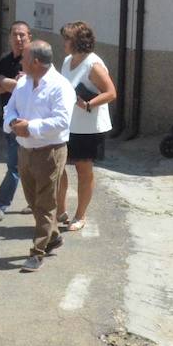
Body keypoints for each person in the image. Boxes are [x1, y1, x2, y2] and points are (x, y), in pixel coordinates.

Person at [3, 40, 75, 273]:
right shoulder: (23, 82)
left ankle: (37, 252)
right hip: (24, 150)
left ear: (34, 62)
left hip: (49, 152)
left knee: (45, 203)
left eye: (23, 57)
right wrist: (13, 123)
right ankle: (52, 236)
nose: (20, 60)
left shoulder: (60, 86)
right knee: (33, 200)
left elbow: (62, 121)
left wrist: (30, 127)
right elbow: (9, 108)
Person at [56, 22, 116, 233]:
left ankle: (80, 215)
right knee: (58, 166)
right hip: (68, 125)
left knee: (84, 171)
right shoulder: (66, 61)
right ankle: (60, 210)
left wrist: (89, 104)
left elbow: (110, 92)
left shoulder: (93, 64)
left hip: (89, 127)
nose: (64, 42)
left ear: (77, 42)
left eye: (67, 39)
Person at [0, 20, 31, 220]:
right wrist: (11, 83)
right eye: (15, 34)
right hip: (11, 120)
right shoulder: (4, 60)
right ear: (10, 37)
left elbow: (32, 88)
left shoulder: (34, 59)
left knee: (27, 165)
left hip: (31, 121)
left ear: (29, 36)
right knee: (15, 164)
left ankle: (3, 205)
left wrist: (4, 82)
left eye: (22, 35)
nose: (19, 38)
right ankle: (4, 205)